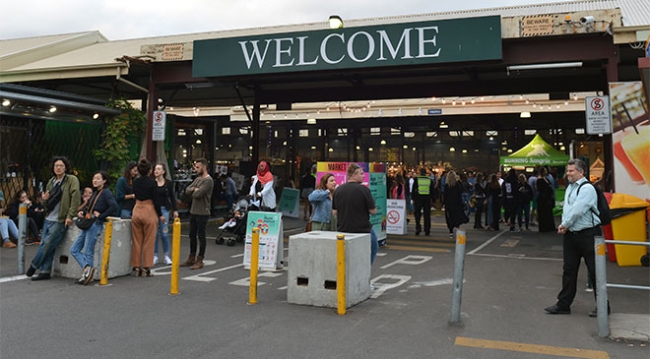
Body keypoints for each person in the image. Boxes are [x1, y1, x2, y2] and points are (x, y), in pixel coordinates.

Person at [545, 158, 609, 317]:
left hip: (588, 234)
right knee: (569, 270)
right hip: (572, 235)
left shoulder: (587, 189)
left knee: (595, 271)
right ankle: (563, 304)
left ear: (581, 172)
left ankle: (603, 306)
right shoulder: (570, 187)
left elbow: (578, 210)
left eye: (571, 171)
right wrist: (565, 225)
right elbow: (569, 208)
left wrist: (564, 224)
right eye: (568, 170)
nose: (568, 173)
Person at [27, 156, 81, 281]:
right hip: (49, 217)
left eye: (61, 166)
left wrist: (70, 215)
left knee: (47, 243)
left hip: (60, 219)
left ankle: (34, 264)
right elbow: (46, 204)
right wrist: (44, 200)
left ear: (66, 167)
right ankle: (45, 271)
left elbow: (75, 197)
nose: (58, 168)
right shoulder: (51, 182)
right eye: (56, 166)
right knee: (48, 245)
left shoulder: (71, 180)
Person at [70, 170, 117, 285]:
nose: (95, 180)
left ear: (104, 181)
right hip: (88, 223)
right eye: (94, 178)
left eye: (98, 178)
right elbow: (90, 207)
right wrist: (82, 212)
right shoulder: (96, 193)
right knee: (74, 249)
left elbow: (113, 206)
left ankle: (86, 275)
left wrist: (102, 216)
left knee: (87, 251)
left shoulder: (106, 193)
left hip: (95, 224)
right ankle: (87, 269)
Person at [332, 163, 378, 264]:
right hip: (362, 229)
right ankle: (365, 269)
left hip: (343, 229)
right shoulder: (364, 190)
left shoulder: (338, 190)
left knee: (347, 255)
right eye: (361, 173)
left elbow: (334, 212)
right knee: (374, 248)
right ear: (353, 175)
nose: (363, 175)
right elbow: (373, 211)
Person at [131, 159, 165, 277]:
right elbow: (156, 200)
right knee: (149, 241)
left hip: (137, 209)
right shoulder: (152, 183)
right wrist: (160, 214)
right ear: (150, 170)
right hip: (148, 209)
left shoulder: (135, 182)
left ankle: (136, 266)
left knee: (137, 240)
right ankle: (146, 267)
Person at [180, 158, 214, 270]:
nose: (196, 169)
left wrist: (194, 190)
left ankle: (200, 259)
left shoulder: (208, 181)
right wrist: (194, 189)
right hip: (193, 211)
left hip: (203, 212)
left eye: (198, 167)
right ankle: (191, 257)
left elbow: (198, 194)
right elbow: (187, 190)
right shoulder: (198, 179)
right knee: (192, 235)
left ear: (204, 167)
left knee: (201, 236)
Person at [153, 163, 178, 266]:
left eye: (158, 169)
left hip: (165, 209)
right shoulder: (152, 183)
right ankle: (155, 255)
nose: (156, 171)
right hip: (154, 210)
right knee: (154, 234)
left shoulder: (168, 183)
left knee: (164, 233)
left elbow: (172, 196)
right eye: (155, 169)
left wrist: (175, 209)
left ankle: (166, 255)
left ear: (163, 171)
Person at [412, 168, 435, 236]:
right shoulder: (429, 180)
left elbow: (414, 190)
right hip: (427, 199)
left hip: (418, 198)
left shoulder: (416, 179)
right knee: (427, 215)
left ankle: (418, 228)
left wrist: (413, 198)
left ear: (420, 172)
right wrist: (433, 200)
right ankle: (427, 230)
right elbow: (432, 191)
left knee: (417, 214)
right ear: (425, 173)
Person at [444, 170, 466, 238]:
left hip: (449, 204)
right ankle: (457, 228)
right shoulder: (457, 184)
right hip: (456, 203)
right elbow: (460, 192)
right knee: (456, 217)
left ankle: (451, 232)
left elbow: (445, 195)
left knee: (449, 217)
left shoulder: (447, 185)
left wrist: (444, 203)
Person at [536, 167, 556, 232]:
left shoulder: (546, 178)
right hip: (543, 199)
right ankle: (543, 227)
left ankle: (549, 227)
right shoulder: (539, 179)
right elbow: (540, 189)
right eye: (544, 170)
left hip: (547, 198)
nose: (546, 171)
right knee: (543, 213)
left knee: (548, 213)